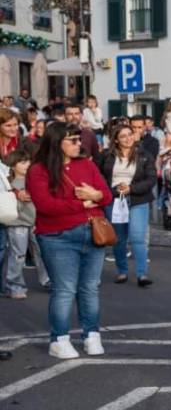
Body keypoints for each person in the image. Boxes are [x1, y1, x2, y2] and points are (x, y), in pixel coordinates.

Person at [29, 123, 112, 359]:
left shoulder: (86, 163)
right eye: (73, 140)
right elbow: (46, 206)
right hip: (58, 237)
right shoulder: (39, 170)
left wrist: (95, 196)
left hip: (92, 231)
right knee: (64, 289)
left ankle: (92, 335)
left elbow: (106, 194)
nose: (79, 144)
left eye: (79, 139)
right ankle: (59, 338)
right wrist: (82, 203)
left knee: (89, 288)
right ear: (57, 143)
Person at [98, 121, 158, 286]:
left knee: (138, 237)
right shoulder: (106, 155)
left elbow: (151, 178)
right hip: (115, 199)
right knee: (119, 238)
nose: (127, 138)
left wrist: (131, 188)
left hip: (137, 199)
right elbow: (98, 175)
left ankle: (142, 274)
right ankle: (122, 271)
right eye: (123, 136)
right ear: (116, 139)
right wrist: (112, 190)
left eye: (129, 135)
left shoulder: (144, 155)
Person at [2, 147, 47, 298]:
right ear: (13, 165)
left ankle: (48, 281)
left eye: (28, 161)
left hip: (36, 221)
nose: (27, 164)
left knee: (42, 253)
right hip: (17, 223)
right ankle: (15, 286)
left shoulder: (35, 179)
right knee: (18, 255)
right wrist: (15, 193)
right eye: (22, 162)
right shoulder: (8, 182)